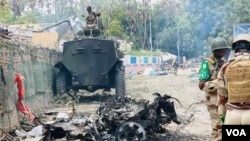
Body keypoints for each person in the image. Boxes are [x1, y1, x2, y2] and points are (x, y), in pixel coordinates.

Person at [198, 37, 229, 141]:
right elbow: (201, 85)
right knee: (217, 126)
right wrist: (218, 82)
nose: (223, 52)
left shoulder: (224, 62)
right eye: (221, 50)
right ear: (215, 51)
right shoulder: (206, 64)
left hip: (224, 100)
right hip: (213, 101)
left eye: (224, 50)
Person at [216, 34, 250, 125]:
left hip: (232, 115)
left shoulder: (225, 66)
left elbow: (221, 96)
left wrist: (223, 115)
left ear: (235, 49)